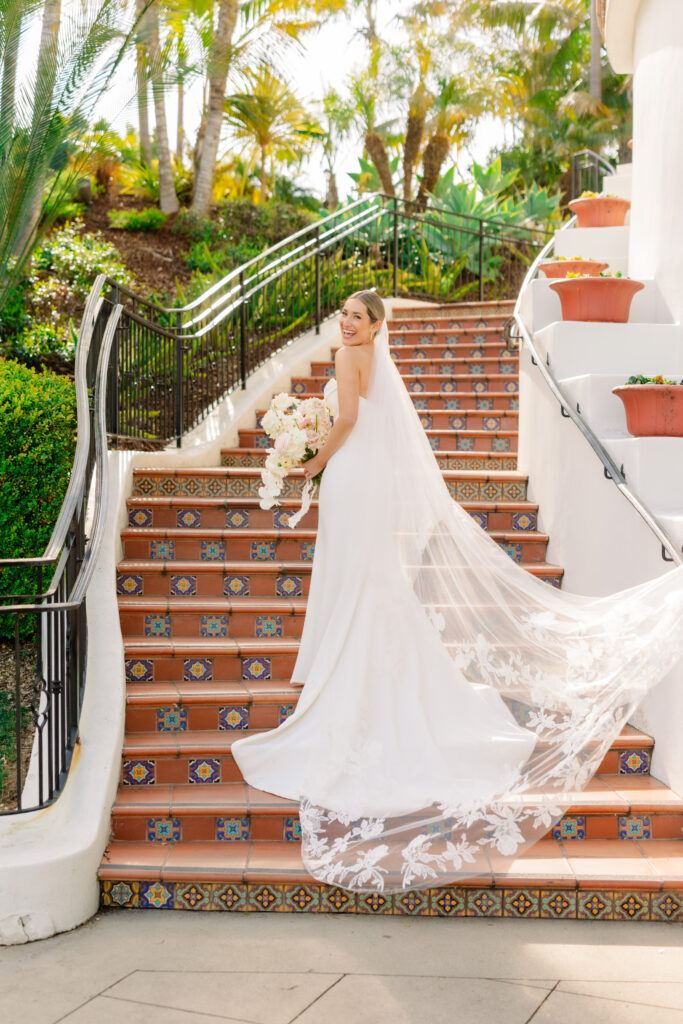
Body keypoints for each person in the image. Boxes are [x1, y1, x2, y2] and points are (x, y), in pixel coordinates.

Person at [232, 290, 683, 894]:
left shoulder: (345, 357)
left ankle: (355, 676)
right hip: (365, 476)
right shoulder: (368, 358)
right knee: (371, 578)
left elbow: (345, 420)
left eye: (357, 318)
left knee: (360, 578)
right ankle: (379, 671)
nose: (346, 322)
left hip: (349, 473)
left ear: (375, 326)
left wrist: (312, 464)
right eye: (344, 314)